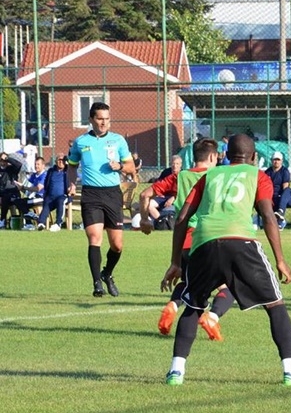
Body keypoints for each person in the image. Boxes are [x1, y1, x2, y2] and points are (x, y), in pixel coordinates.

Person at [160, 133, 291, 386]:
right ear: (254, 157)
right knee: (275, 305)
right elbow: (268, 216)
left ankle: (175, 372)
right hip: (241, 242)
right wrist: (280, 260)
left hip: (204, 244)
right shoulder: (258, 175)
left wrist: (176, 262)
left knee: (193, 305)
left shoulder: (209, 175)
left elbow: (181, 219)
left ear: (225, 156)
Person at [140, 138, 234, 339]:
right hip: (211, 238)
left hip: (184, 240)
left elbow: (144, 194)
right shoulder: (218, 175)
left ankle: (173, 305)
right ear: (212, 156)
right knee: (228, 286)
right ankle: (213, 317)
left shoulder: (179, 177)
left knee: (189, 280)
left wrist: (146, 220)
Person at [67, 102, 135, 297]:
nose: (104, 122)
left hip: (112, 194)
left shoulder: (118, 140)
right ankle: (97, 283)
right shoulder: (81, 142)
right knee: (94, 237)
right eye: (100, 118)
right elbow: (71, 166)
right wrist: (71, 184)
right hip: (91, 194)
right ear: (91, 120)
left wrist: (120, 167)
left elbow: (131, 168)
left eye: (106, 119)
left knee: (117, 245)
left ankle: (107, 273)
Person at [37, 153, 69, 232]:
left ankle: (58, 224)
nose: (61, 162)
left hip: (63, 196)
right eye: (59, 160)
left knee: (60, 201)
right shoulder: (51, 171)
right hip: (51, 196)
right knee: (46, 204)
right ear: (55, 161)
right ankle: (41, 223)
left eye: (63, 160)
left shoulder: (67, 171)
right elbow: (46, 182)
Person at [13, 156, 47, 227]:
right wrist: (20, 186)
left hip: (41, 198)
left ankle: (31, 222)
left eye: (38, 164)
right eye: (35, 164)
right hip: (33, 197)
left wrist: (24, 187)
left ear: (43, 166)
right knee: (17, 201)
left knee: (22, 203)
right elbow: (27, 186)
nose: (36, 166)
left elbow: (38, 188)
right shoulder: (34, 175)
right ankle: (32, 219)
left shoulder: (45, 175)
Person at [0, 152, 24, 228]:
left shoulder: (12, 169)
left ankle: (3, 220)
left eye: (5, 160)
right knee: (5, 198)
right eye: (2, 160)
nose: (3, 162)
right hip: (2, 194)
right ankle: (3, 221)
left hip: (13, 193)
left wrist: (8, 159)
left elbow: (19, 164)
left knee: (8, 198)